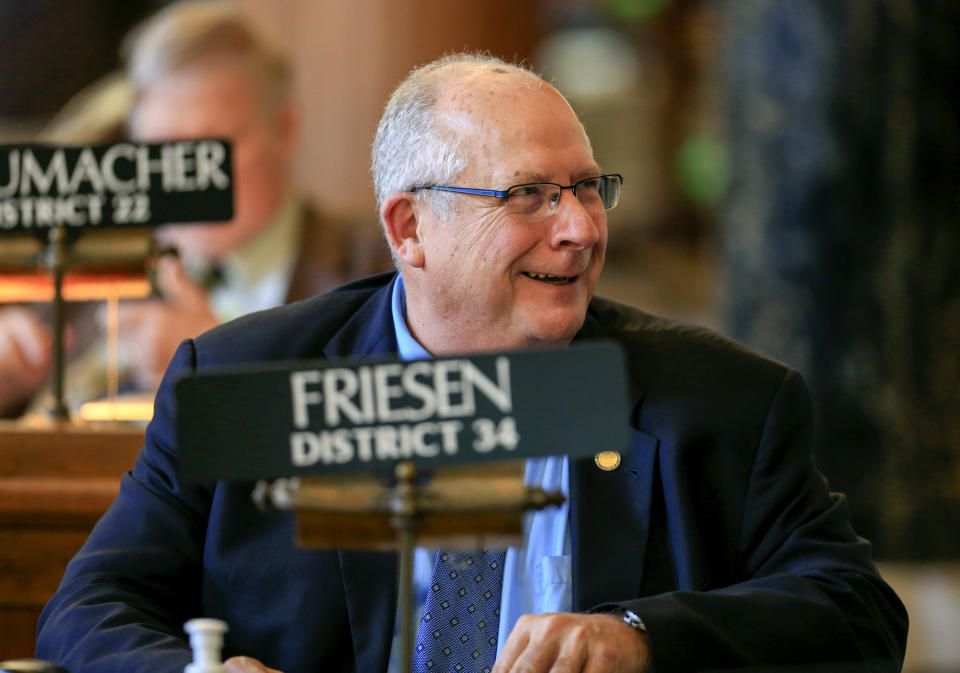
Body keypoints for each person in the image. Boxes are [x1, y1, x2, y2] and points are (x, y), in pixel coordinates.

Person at [36, 53, 908, 673]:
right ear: (411, 227)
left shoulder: (724, 402)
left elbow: (858, 612)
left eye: (587, 188)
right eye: (529, 194)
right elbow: (88, 609)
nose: (579, 228)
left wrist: (640, 634)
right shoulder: (242, 382)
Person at [0, 0, 389, 417]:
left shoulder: (381, 269)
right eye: (161, 151)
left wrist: (218, 366)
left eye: (211, 150)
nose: (184, 177)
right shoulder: (76, 276)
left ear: (285, 130)